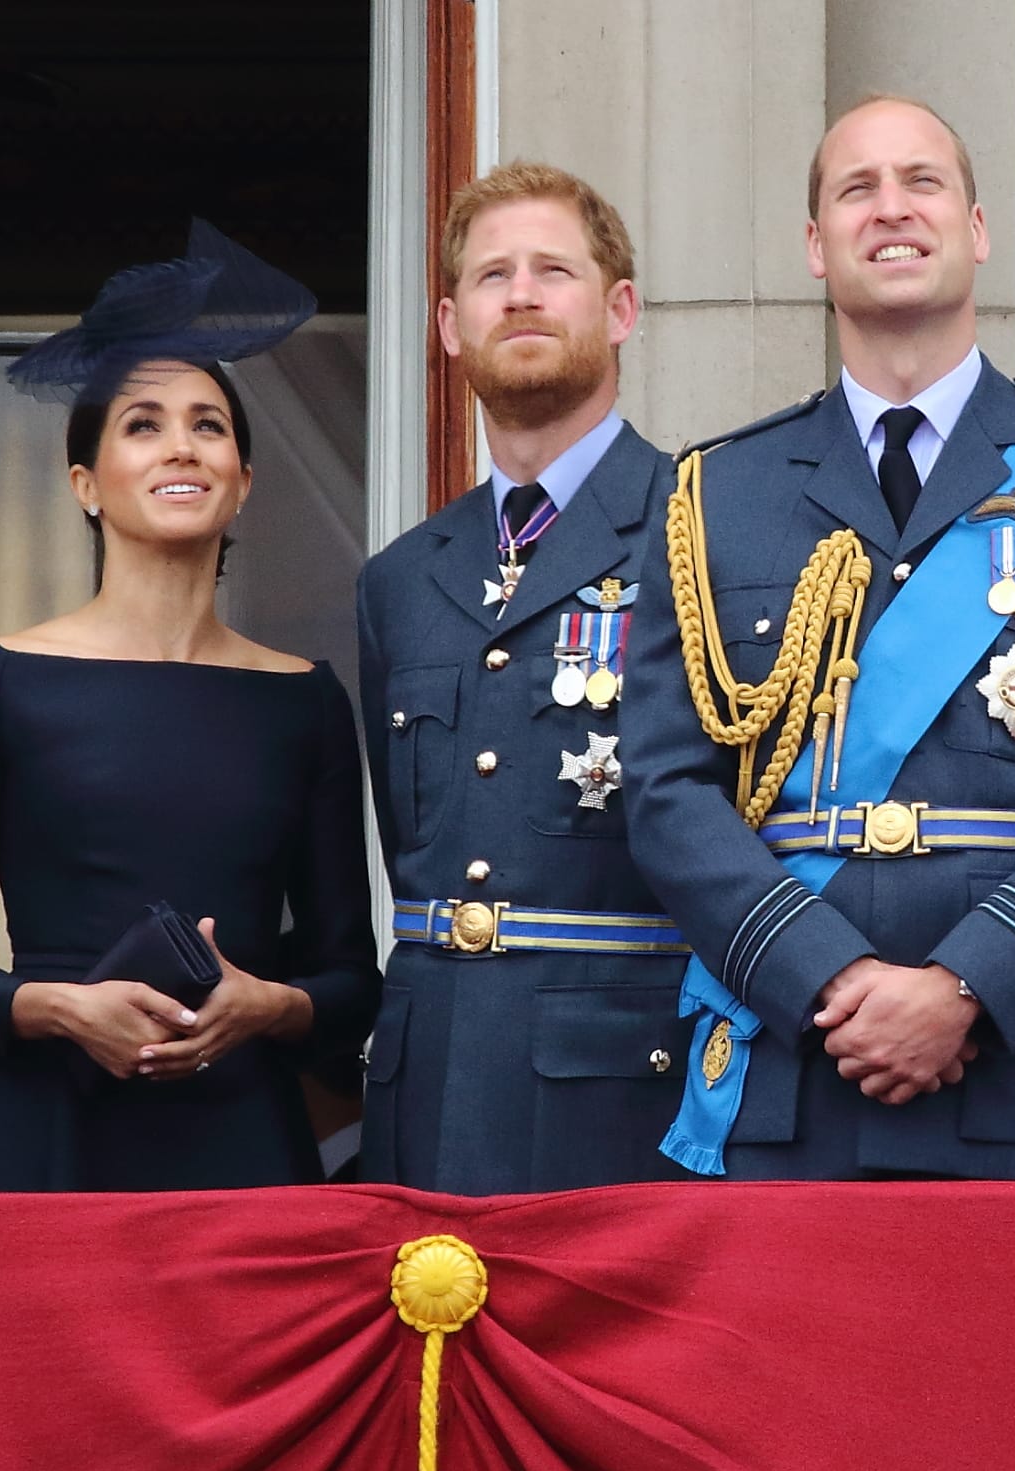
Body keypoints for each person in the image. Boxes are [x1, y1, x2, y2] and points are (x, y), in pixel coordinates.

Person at [621, 97, 1015, 1180]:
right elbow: (665, 790)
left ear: (976, 229)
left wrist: (966, 988)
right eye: (858, 189)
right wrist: (827, 981)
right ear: (815, 246)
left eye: (922, 181)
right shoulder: (715, 493)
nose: (892, 208)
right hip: (792, 1076)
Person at [0, 221, 381, 1191]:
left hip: (237, 1147)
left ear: (242, 482)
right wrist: (64, 1007)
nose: (179, 446)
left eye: (209, 424)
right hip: (35, 1141)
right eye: (142, 424)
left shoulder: (305, 702)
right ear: (87, 484)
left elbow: (352, 984)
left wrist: (264, 1007)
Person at [357, 161, 692, 1194]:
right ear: (452, 326)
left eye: (556, 269)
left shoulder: (703, 530)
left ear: (620, 308)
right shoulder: (401, 578)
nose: (525, 293)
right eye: (495, 276)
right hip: (429, 1079)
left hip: (620, 1087)